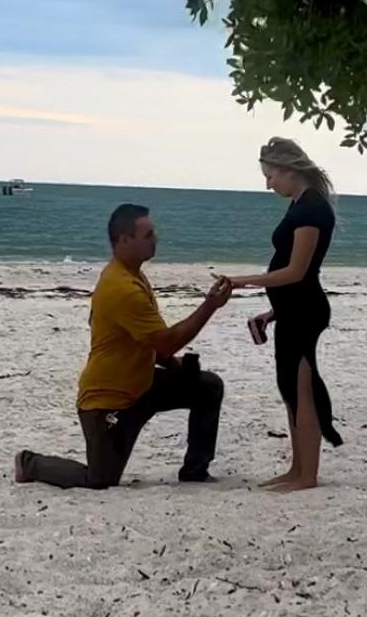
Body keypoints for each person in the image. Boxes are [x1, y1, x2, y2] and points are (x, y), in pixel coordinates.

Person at [14, 203, 232, 490]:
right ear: (124, 240)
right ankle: (29, 463)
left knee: (207, 386)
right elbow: (166, 339)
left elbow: (150, 341)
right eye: (148, 234)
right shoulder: (122, 287)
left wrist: (172, 363)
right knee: (100, 479)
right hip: (107, 401)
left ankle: (195, 471)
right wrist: (210, 305)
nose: (156, 239)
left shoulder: (134, 275)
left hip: (142, 386)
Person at [222, 137, 343, 492]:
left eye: (270, 175)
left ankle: (308, 476)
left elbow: (297, 272)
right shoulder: (300, 204)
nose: (268, 184)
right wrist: (272, 312)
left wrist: (240, 281)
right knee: (290, 388)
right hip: (292, 310)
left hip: (306, 312)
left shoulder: (311, 210)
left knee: (303, 391)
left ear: (289, 170)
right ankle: (297, 468)